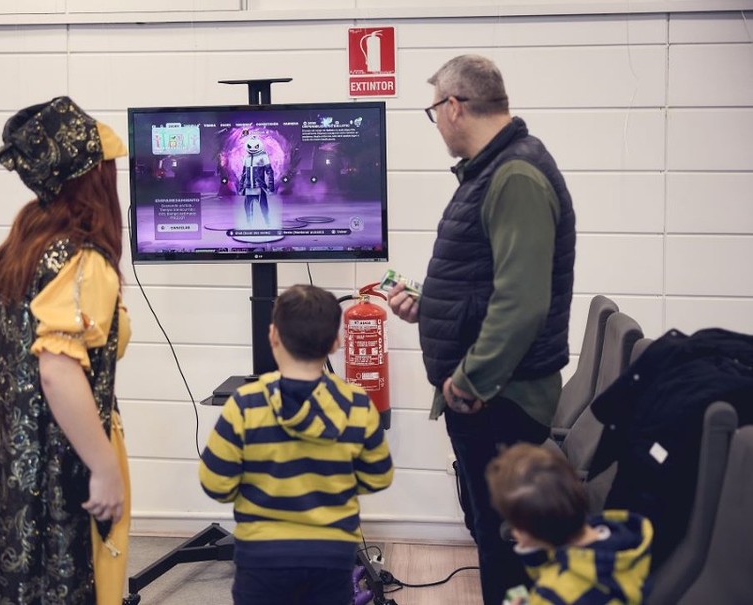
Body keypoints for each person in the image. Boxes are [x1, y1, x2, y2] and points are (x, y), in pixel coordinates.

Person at [387, 54, 576, 605]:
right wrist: (432, 306)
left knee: (504, 547)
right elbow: (489, 281)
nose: (437, 125)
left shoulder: (514, 175)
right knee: (491, 533)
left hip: (500, 399)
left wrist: (469, 381)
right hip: (492, 396)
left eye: (433, 112)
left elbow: (522, 303)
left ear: (453, 107)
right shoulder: (495, 169)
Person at [0, 96, 132, 605]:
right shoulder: (83, 259)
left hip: (5, 461)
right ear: (93, 176)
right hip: (60, 463)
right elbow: (56, 371)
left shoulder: (20, 246)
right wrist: (104, 468)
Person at [199, 284, 394, 605]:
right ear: (336, 342)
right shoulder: (357, 404)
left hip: (261, 559)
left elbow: (215, 484)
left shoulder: (244, 404)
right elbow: (379, 477)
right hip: (331, 557)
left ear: (273, 335)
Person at [486, 444, 653, 604]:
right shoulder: (617, 537)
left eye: (516, 526)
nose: (514, 532)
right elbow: (557, 573)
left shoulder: (550, 595)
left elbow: (554, 587)